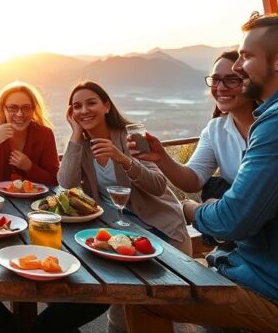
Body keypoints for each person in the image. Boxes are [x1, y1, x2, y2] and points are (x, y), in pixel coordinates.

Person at [127, 14, 278, 333]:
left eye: (246, 56)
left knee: (145, 297)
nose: (237, 67)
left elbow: (233, 219)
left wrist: (192, 210)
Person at [44, 81, 190, 333]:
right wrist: (76, 134)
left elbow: (157, 184)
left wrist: (122, 158)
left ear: (106, 105)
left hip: (157, 230)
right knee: (118, 309)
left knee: (129, 306)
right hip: (116, 232)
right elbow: (66, 183)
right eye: (76, 106)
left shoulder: (131, 136)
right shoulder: (83, 146)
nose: (84, 110)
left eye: (91, 103)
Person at [131, 51, 257, 219]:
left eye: (231, 79)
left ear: (251, 83)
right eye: (215, 79)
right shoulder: (215, 130)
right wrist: (161, 157)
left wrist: (196, 210)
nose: (220, 87)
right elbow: (193, 180)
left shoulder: (275, 126)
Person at [0, 81, 59, 186]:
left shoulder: (45, 134)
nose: (19, 114)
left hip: (34, 201)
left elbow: (54, 179)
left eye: (26, 107)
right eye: (12, 108)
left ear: (33, 109)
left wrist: (29, 167)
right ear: (3, 109)